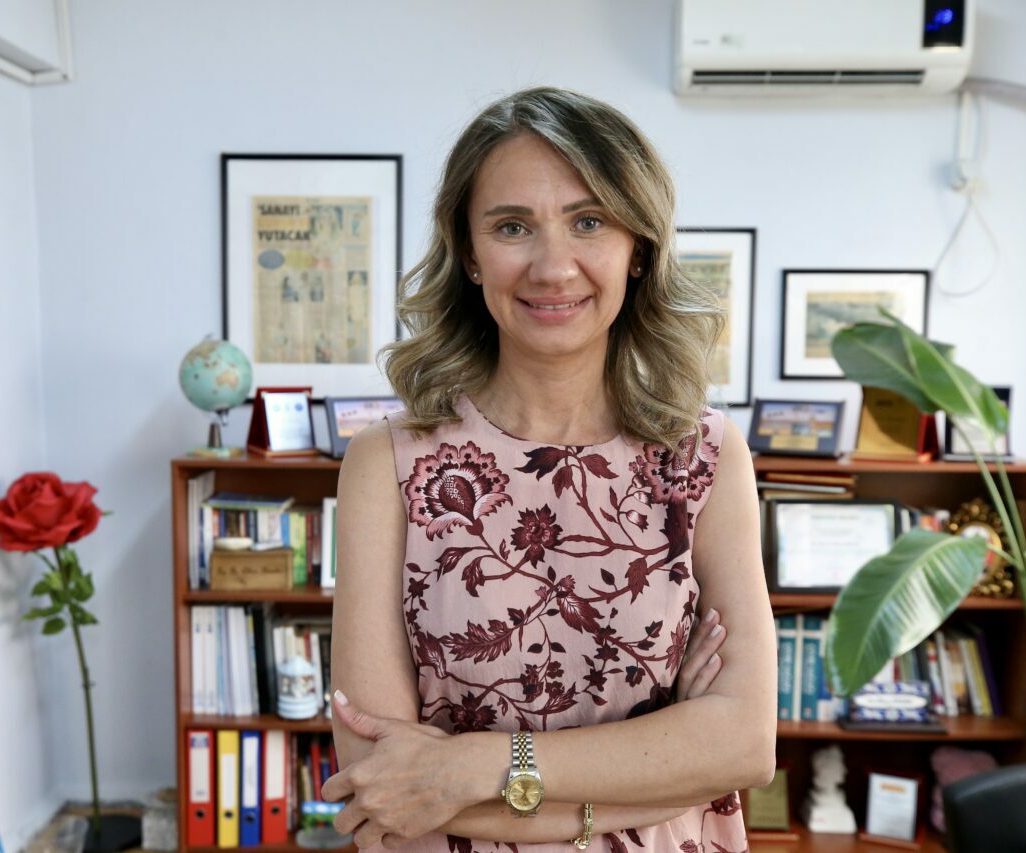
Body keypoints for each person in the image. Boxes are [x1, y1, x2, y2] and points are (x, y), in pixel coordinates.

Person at [324, 87, 777, 852]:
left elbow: (744, 745)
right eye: (512, 226)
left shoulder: (704, 456)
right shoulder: (387, 464)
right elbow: (381, 783)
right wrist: (660, 772)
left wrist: (472, 765)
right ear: (470, 255)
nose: (553, 265)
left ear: (639, 248)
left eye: (589, 221)